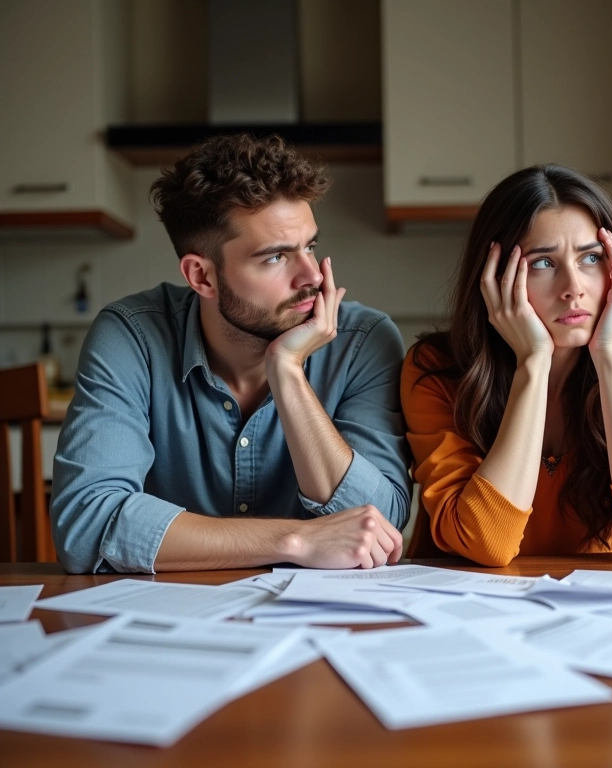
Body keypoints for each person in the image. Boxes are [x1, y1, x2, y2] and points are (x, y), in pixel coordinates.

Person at [51, 133, 411, 574]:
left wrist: (287, 371)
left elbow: (381, 528)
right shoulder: (132, 336)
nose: (312, 276)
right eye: (276, 257)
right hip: (171, 622)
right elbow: (85, 527)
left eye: (310, 246)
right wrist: (294, 540)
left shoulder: (363, 342)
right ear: (201, 276)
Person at [401, 164, 612, 566]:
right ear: (493, 278)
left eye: (591, 258)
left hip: (599, 615)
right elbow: (486, 544)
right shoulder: (435, 370)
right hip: (468, 611)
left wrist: (610, 360)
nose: (573, 287)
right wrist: (533, 362)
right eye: (543, 263)